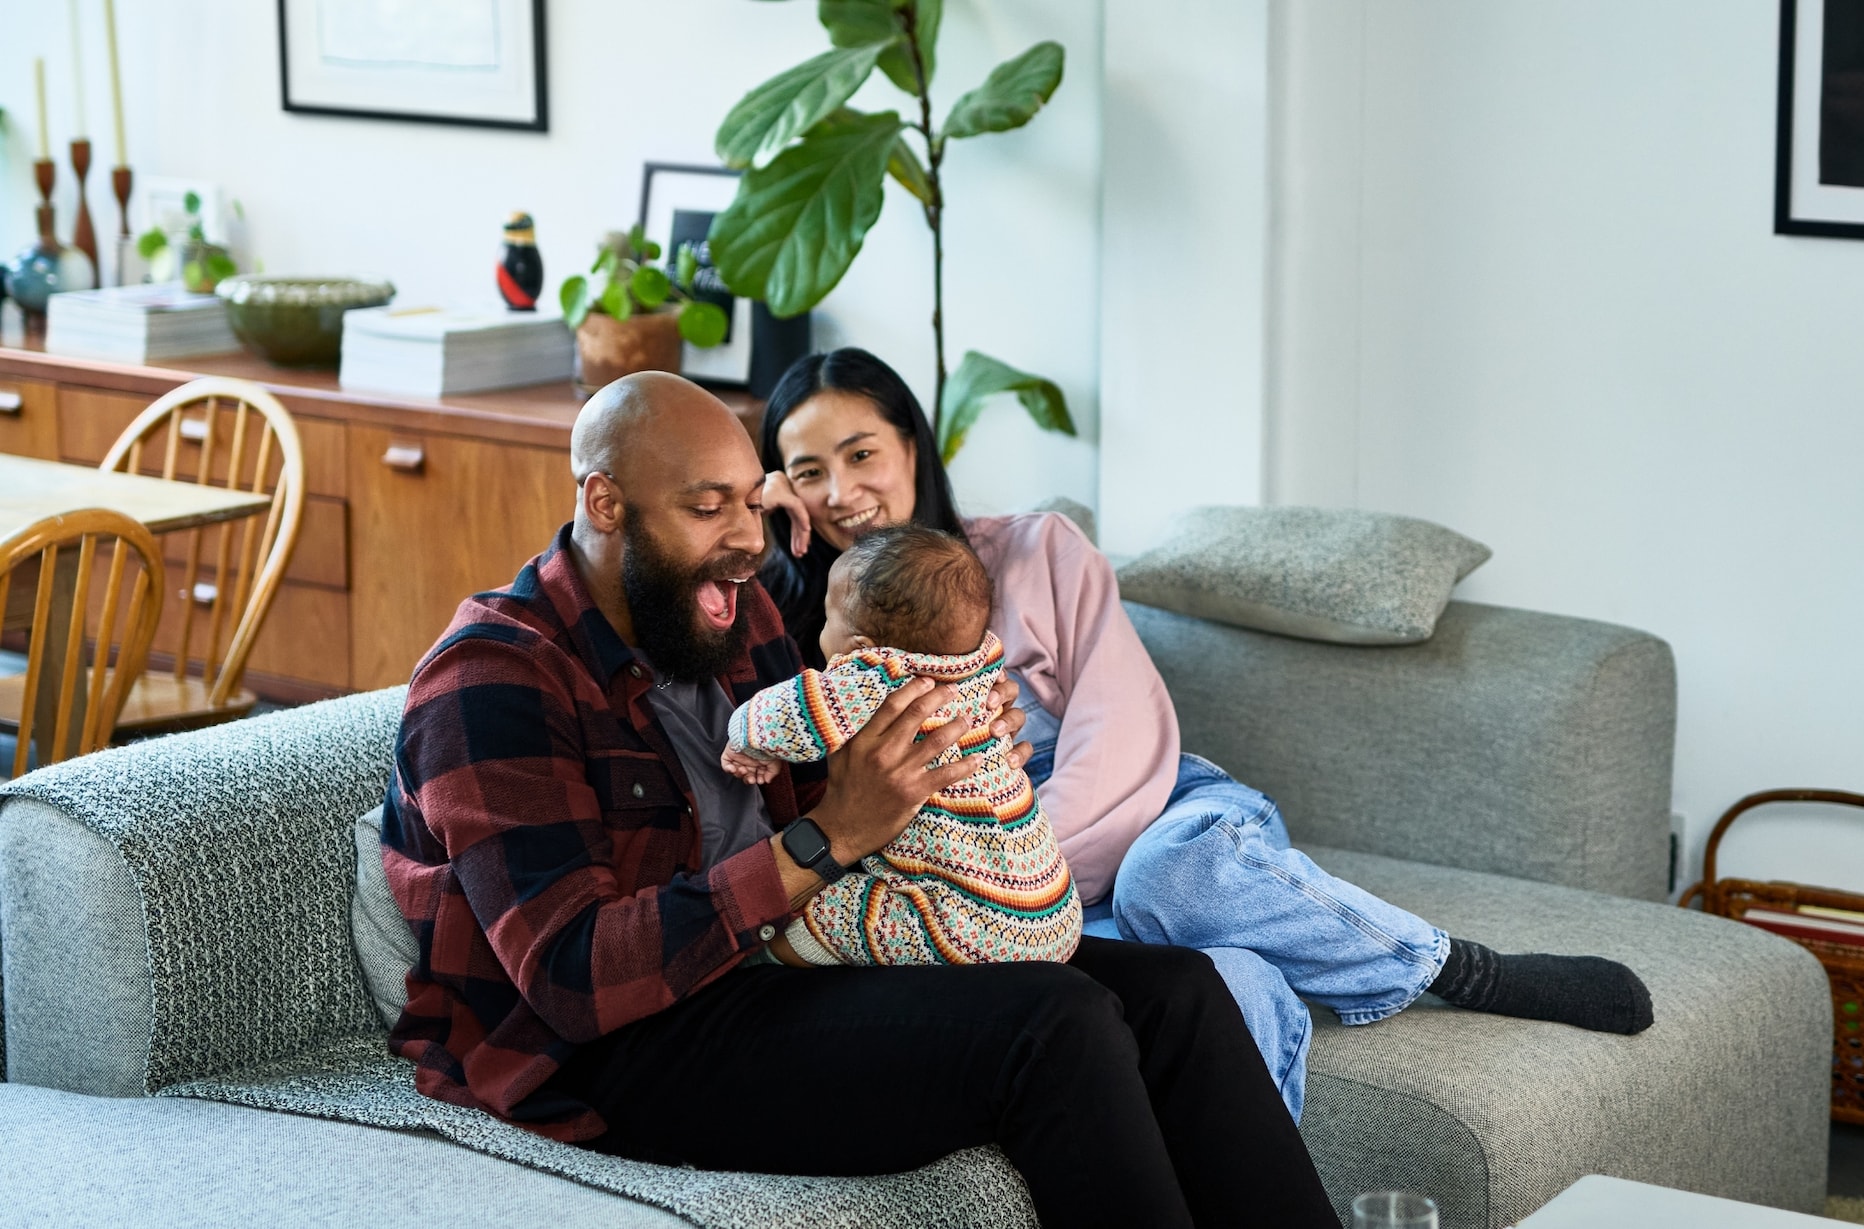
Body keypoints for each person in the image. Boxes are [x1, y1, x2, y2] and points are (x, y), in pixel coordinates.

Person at [380, 370, 1339, 1229]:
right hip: (613, 1047)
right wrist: (825, 838)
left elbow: (829, 753)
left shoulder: (733, 611)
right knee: (1055, 1025)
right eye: (709, 509)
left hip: (780, 962)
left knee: (1180, 990)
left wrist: (943, 742)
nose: (747, 543)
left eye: (753, 505)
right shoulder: (492, 679)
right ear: (605, 502)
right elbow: (575, 978)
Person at [758, 348, 1656, 1120]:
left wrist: (1015, 878)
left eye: (861, 451)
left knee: (1169, 877)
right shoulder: (809, 645)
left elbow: (1125, 729)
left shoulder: (1035, 550)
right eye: (804, 472)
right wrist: (761, 545)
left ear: (912, 442)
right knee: (1224, 987)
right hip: (1018, 900)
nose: (841, 492)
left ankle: (1460, 968)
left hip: (1149, 817)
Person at [722, 523, 1082, 967]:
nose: (821, 628)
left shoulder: (879, 676)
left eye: (828, 616)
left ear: (862, 646)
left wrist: (746, 740)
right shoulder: (982, 666)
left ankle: (771, 959)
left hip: (967, 927)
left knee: (839, 908)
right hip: (1054, 909)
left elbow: (790, 714)